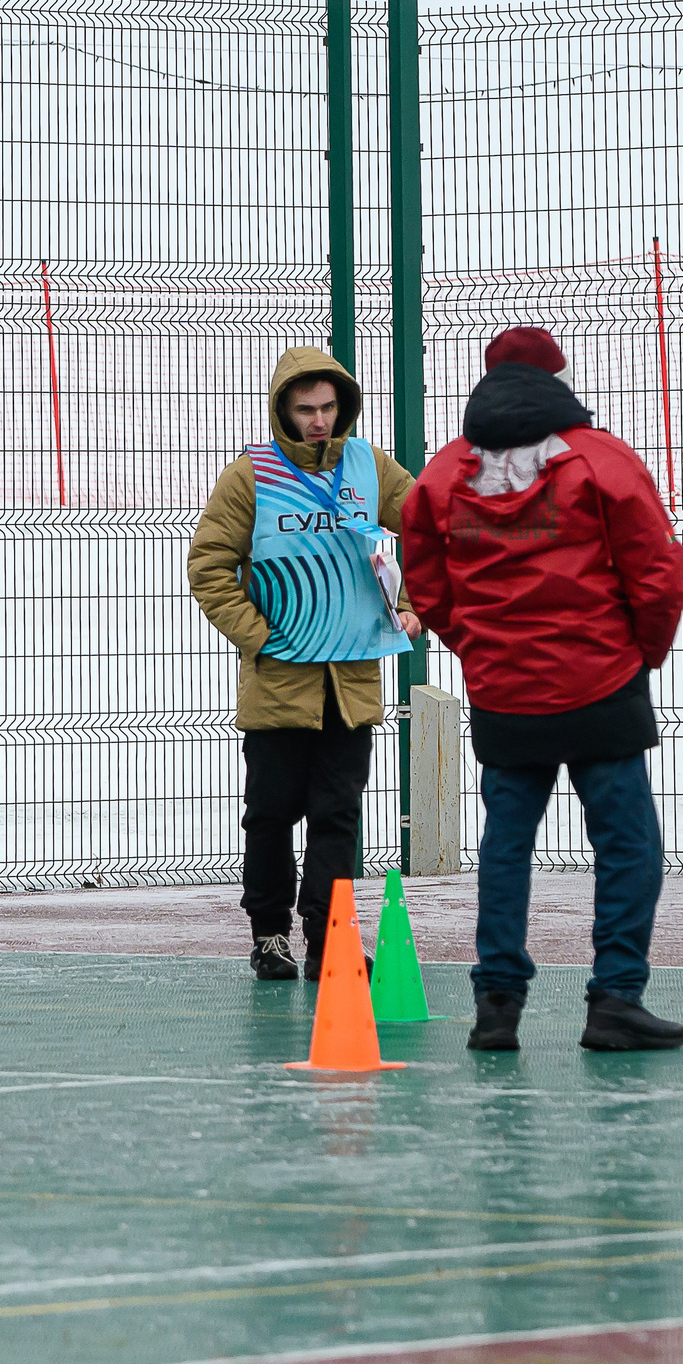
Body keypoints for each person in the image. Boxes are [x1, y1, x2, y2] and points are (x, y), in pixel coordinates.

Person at [401, 326, 683, 1052]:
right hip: (602, 680)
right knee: (627, 843)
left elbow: (427, 586)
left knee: (507, 843)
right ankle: (615, 999)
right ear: (558, 382)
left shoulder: (445, 474)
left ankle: (498, 1004)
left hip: (504, 688)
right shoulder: (600, 459)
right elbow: (656, 572)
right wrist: (642, 654)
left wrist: (478, 647)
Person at [189, 346, 416, 981]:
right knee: (271, 815)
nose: (319, 420)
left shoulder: (371, 466)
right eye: (304, 409)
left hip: (351, 682)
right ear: (282, 411)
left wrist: (412, 604)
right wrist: (258, 637)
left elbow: (431, 528)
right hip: (280, 684)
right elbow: (209, 565)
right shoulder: (251, 476)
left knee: (337, 815)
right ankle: (269, 935)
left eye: (328, 407)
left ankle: (329, 939)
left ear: (344, 406)